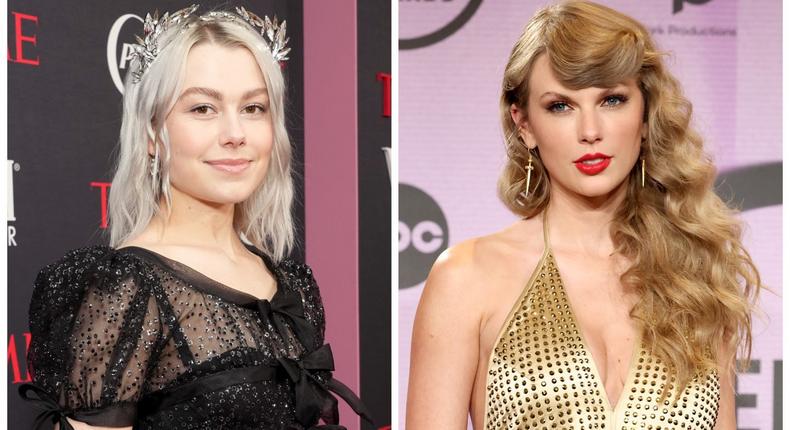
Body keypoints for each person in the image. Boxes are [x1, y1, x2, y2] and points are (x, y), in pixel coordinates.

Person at [406, 1, 760, 429]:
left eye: (612, 100)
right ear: (525, 125)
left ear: (645, 114)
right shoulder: (467, 277)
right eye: (561, 106)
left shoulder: (696, 280)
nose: (590, 131)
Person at [19, 5, 369, 430]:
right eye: (203, 108)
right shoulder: (123, 287)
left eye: (254, 108)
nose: (235, 133)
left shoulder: (296, 289)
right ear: (152, 134)